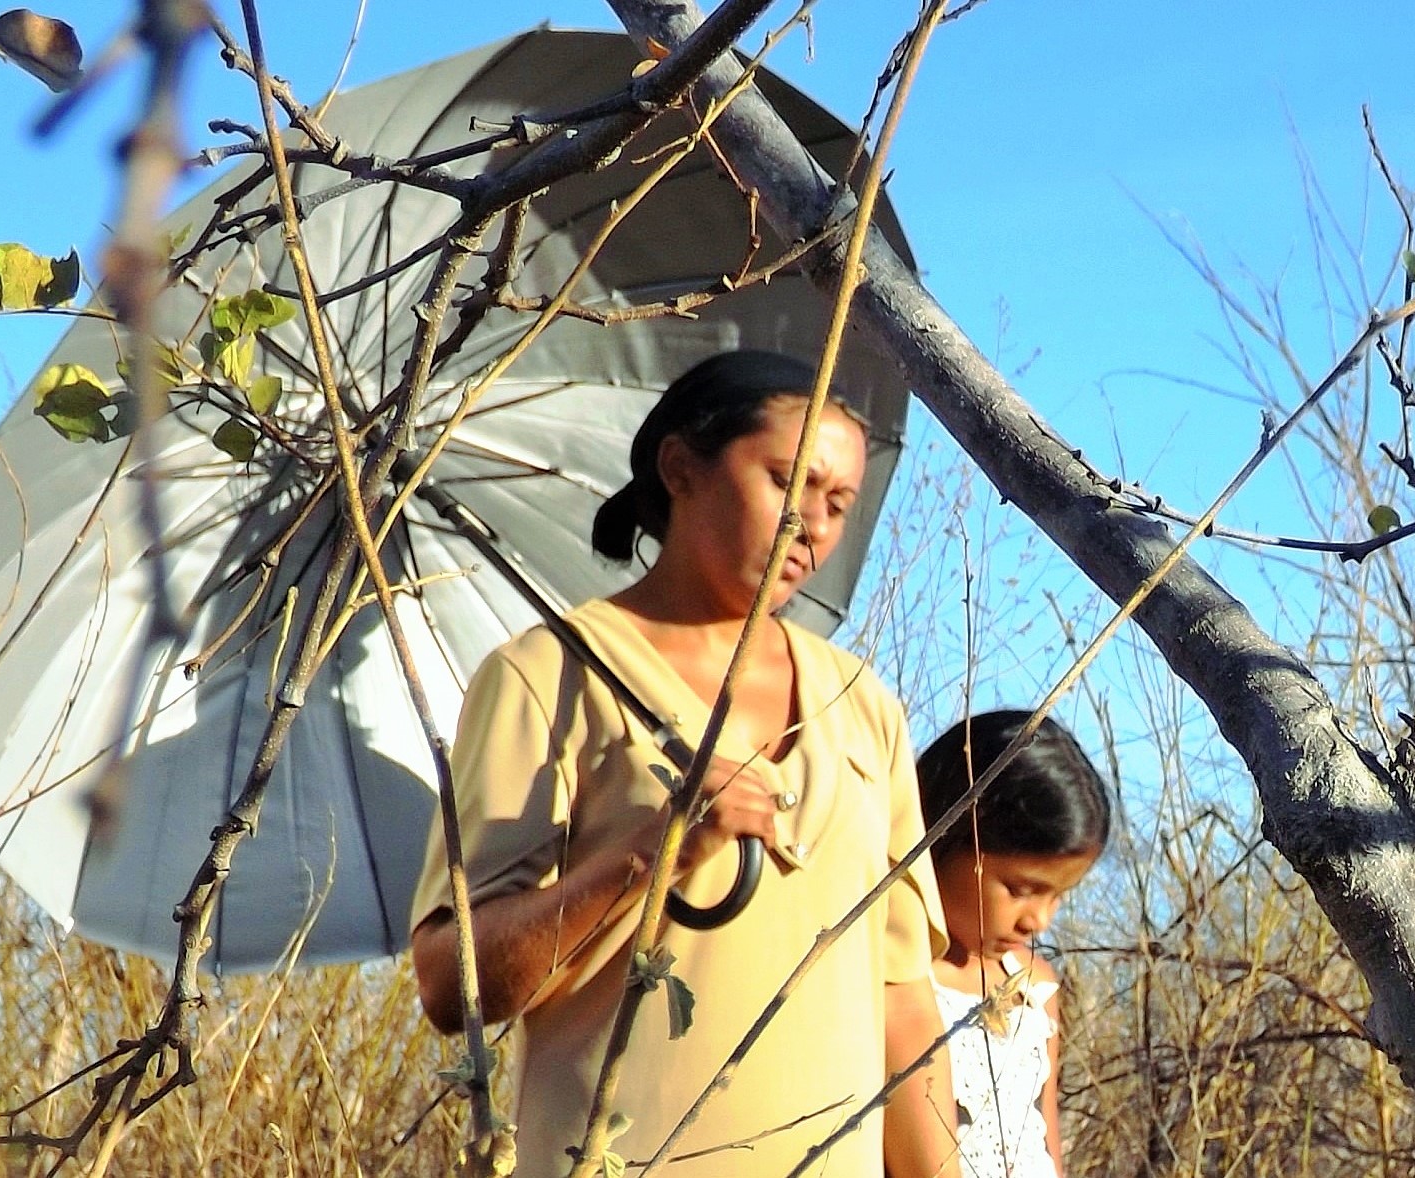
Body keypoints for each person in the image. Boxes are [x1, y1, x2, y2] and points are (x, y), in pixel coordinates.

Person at [407, 350, 956, 1178]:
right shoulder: (548, 676)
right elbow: (454, 986)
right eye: (788, 481)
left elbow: (901, 1000)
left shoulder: (862, 703)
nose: (814, 524)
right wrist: (652, 850)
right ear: (679, 468)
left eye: (839, 502)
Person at [914, 711, 1115, 1178]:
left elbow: (1045, 1142)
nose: (1038, 920)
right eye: (1021, 889)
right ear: (944, 834)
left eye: (1059, 895)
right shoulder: (890, 978)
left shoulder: (1032, 988)